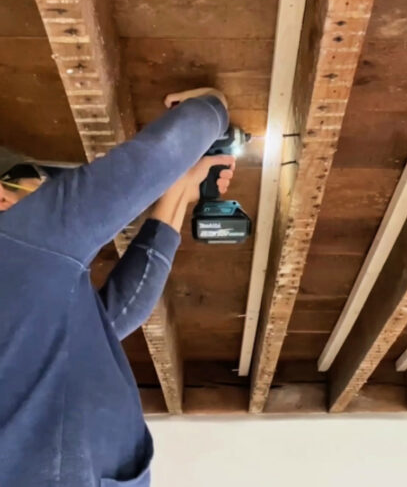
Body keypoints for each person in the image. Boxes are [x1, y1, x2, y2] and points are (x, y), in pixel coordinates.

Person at [0, 88, 235, 487]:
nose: (50, 195)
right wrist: (212, 107)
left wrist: (210, 117)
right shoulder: (20, 240)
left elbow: (167, 152)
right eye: (42, 184)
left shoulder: (20, 245)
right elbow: (116, 317)